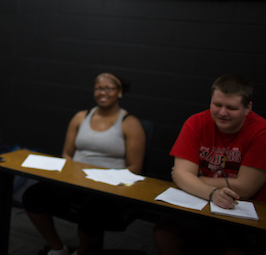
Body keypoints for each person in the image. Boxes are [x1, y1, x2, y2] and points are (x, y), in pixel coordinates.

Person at [22, 73, 146, 255]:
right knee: (33, 194)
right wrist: (70, 175)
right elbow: (67, 154)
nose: (102, 92)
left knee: (92, 208)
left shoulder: (130, 123)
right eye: (98, 88)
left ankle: (82, 252)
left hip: (109, 188)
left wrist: (110, 180)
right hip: (77, 181)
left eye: (109, 88)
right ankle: (58, 249)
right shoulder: (81, 117)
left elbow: (135, 167)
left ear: (119, 92)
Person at [154, 74, 266, 255]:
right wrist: (212, 193)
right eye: (217, 105)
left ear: (247, 108)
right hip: (200, 201)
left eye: (231, 108)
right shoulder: (196, 122)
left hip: (242, 209)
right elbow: (181, 176)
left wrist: (192, 179)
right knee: (164, 234)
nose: (222, 113)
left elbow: (245, 189)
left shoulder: (261, 132)